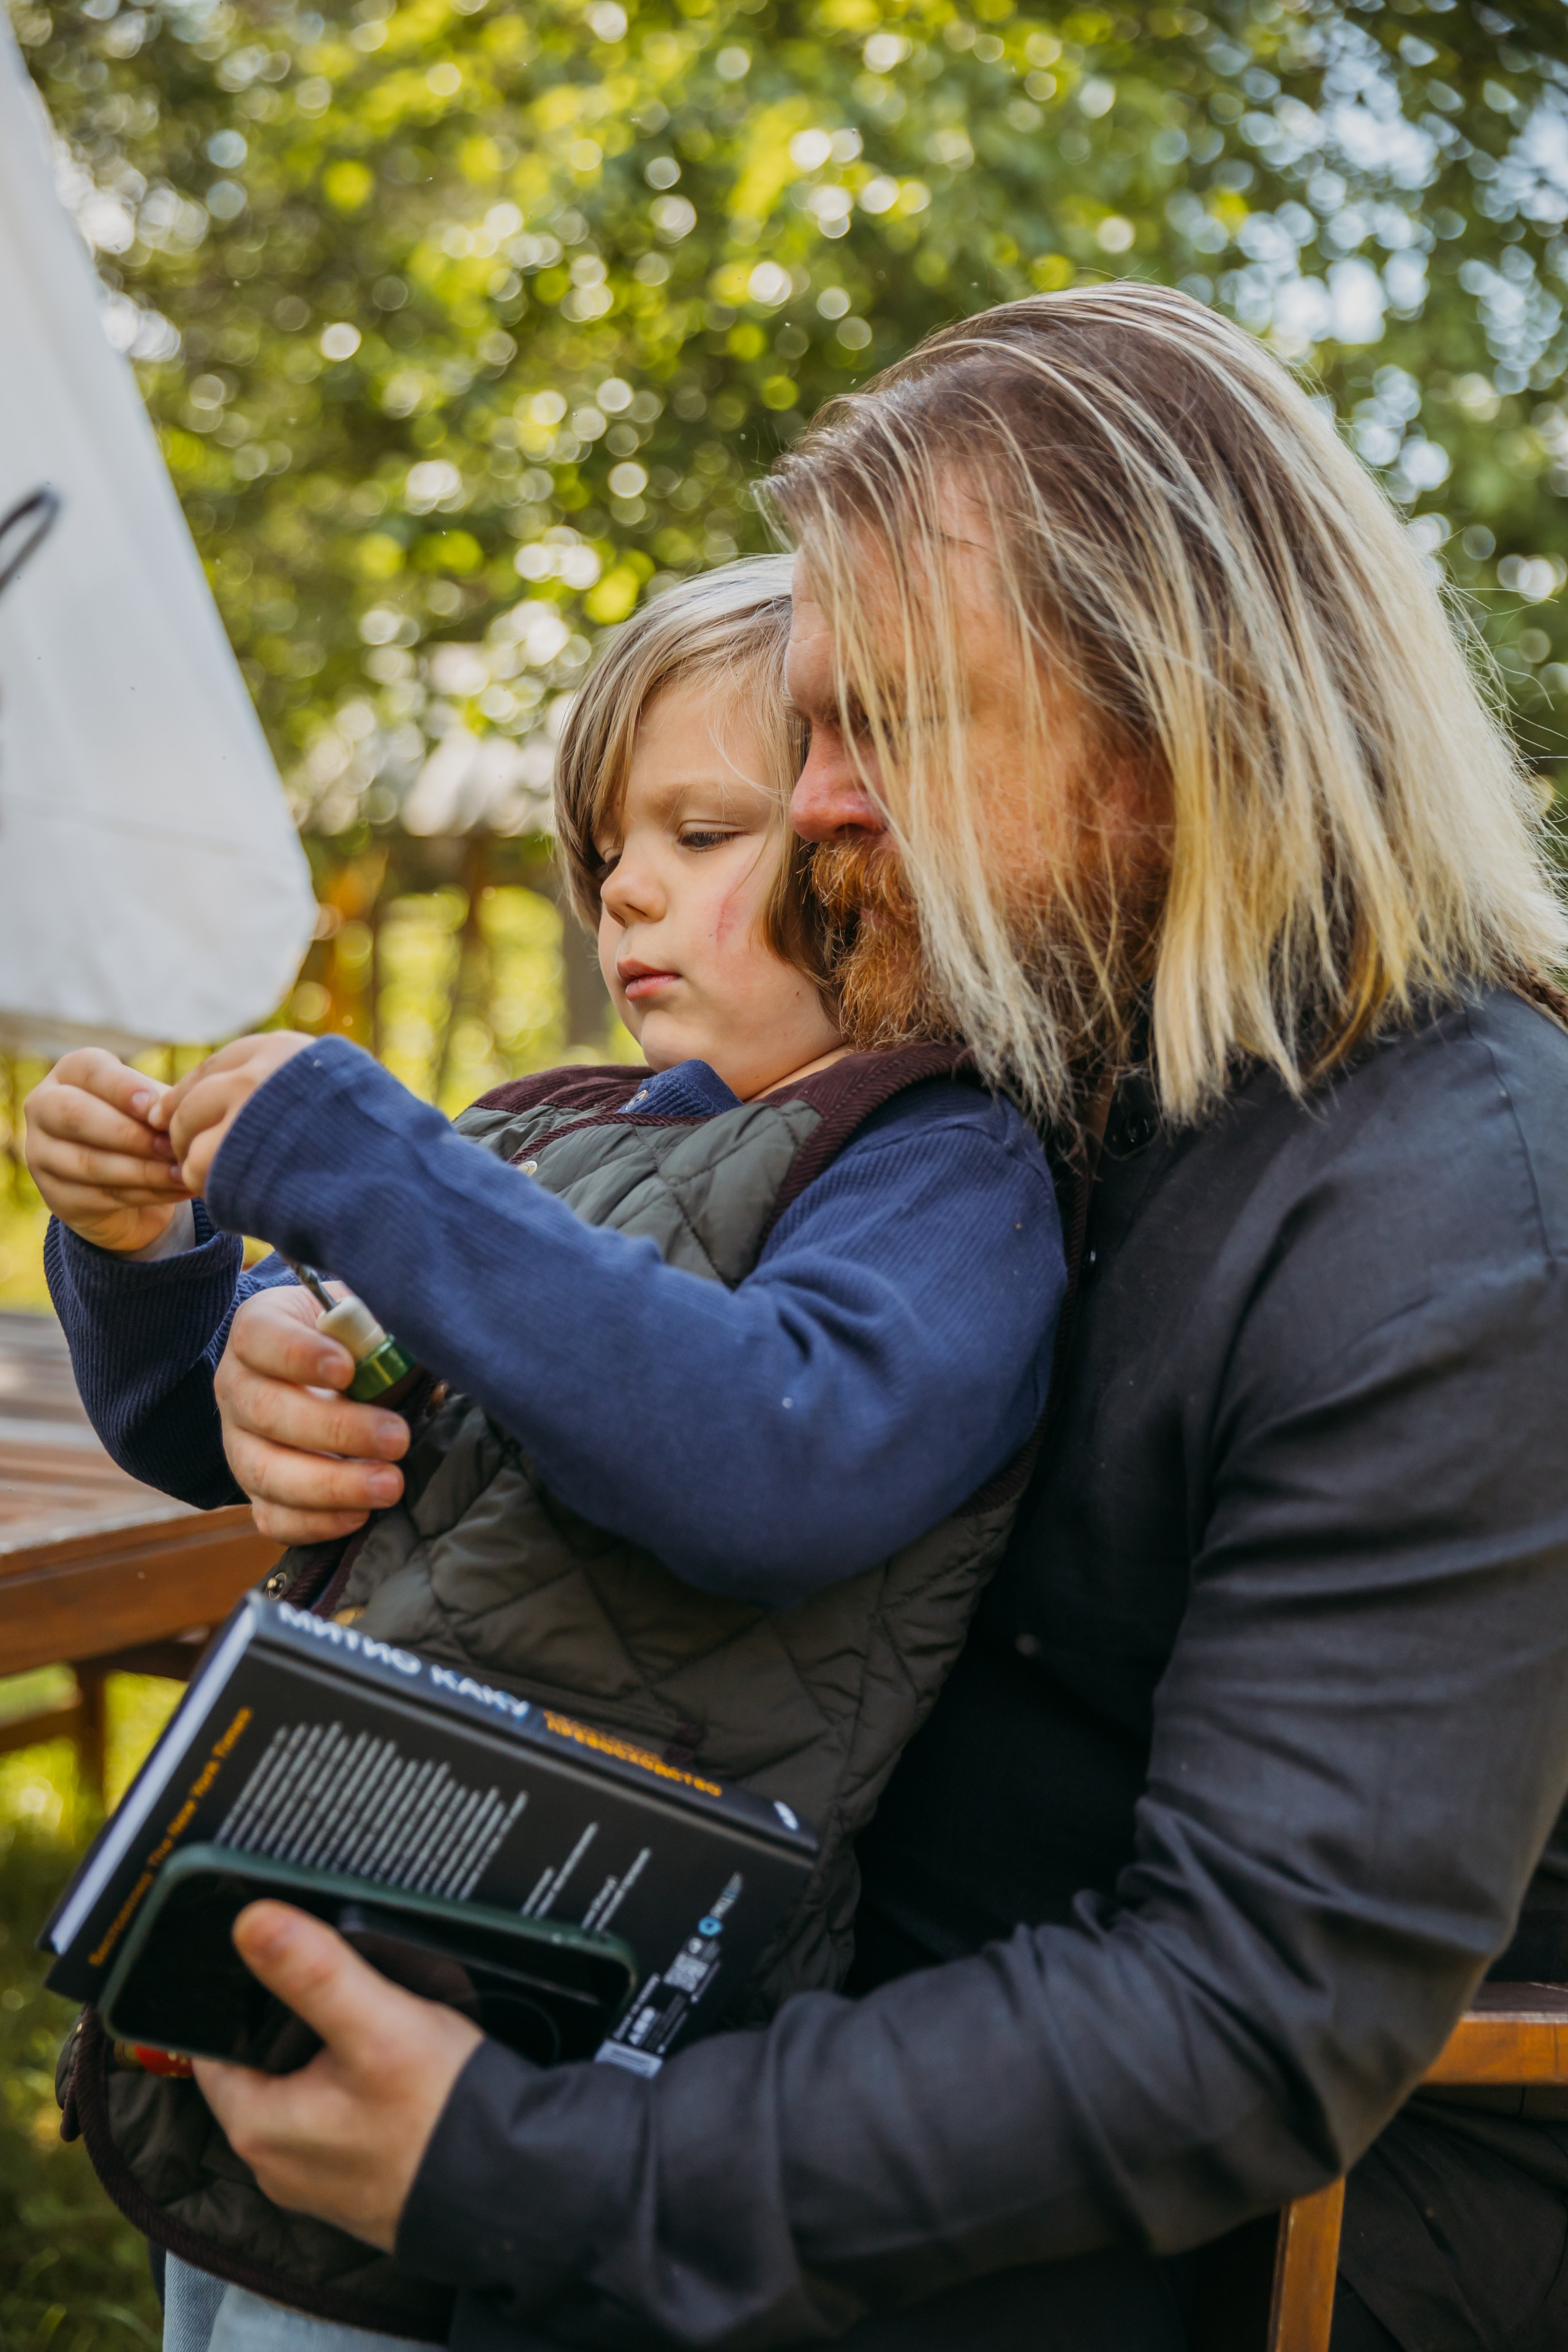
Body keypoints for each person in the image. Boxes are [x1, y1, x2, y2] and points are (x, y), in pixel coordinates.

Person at [97, 281, 1568, 2352]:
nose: (826, 805)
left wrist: (536, 2168)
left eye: (897, 722)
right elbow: (684, 1371)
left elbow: (1249, 2014)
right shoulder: (1026, 1056)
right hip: (771, 2016)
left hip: (1222, 2219)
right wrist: (319, 1371)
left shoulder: (1450, 1198)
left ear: (1173, 727)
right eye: (810, 727)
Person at [27, 557, 1063, 2346]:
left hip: (550, 2048)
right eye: (605, 850)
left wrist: (369, 1159)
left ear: (883, 853)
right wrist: (168, 1277)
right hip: (321, 1923)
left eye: (700, 831)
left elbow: (778, 1450)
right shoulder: (537, 1141)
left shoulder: (943, 1167)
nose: (625, 888)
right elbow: (207, 1423)